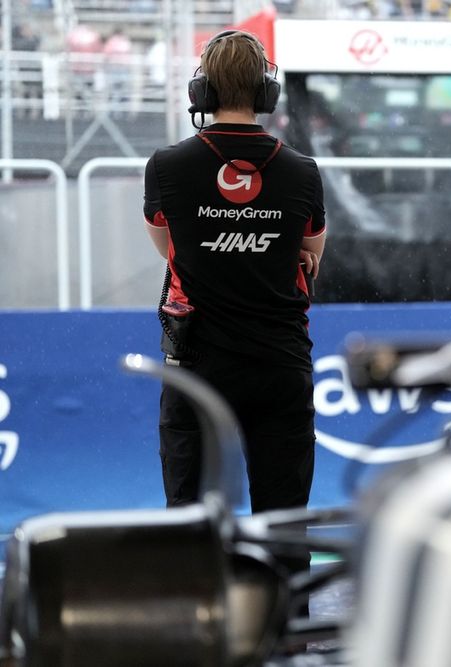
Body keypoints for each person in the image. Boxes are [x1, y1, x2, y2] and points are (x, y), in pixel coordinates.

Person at [143, 30, 326, 526]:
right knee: (284, 524)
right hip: (279, 362)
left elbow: (169, 251)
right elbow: (312, 253)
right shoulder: (302, 171)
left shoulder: (165, 167)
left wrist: (215, 245)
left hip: (196, 365)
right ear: (267, 94)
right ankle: (283, 605)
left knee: (188, 523)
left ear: (201, 94)